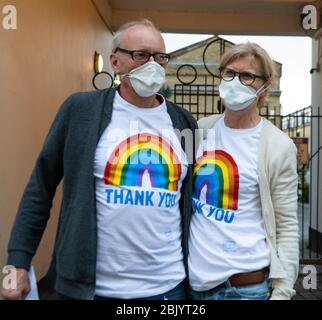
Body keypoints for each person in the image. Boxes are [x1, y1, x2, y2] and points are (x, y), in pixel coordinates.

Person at [1, 19, 197, 300]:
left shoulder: (183, 122)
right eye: (141, 55)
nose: (152, 64)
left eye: (160, 57)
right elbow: (40, 188)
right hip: (88, 290)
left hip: (167, 289)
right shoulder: (80, 111)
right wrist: (17, 261)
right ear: (115, 62)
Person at [189, 42, 299, 300]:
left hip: (245, 289)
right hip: (195, 286)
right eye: (228, 73)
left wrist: (282, 291)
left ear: (264, 86)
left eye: (247, 76)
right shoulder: (201, 130)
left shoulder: (278, 146)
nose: (235, 81)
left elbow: (286, 225)